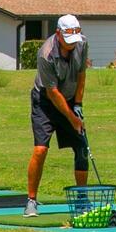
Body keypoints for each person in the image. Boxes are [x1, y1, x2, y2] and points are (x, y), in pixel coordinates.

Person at [25, 13, 89, 216]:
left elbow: (81, 75)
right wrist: (72, 118)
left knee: (81, 148)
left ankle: (82, 199)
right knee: (40, 149)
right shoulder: (46, 54)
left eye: (74, 39)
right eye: (68, 39)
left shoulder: (82, 43)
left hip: (69, 99)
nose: (72, 44)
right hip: (44, 102)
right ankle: (31, 201)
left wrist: (78, 105)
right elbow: (52, 93)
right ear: (58, 34)